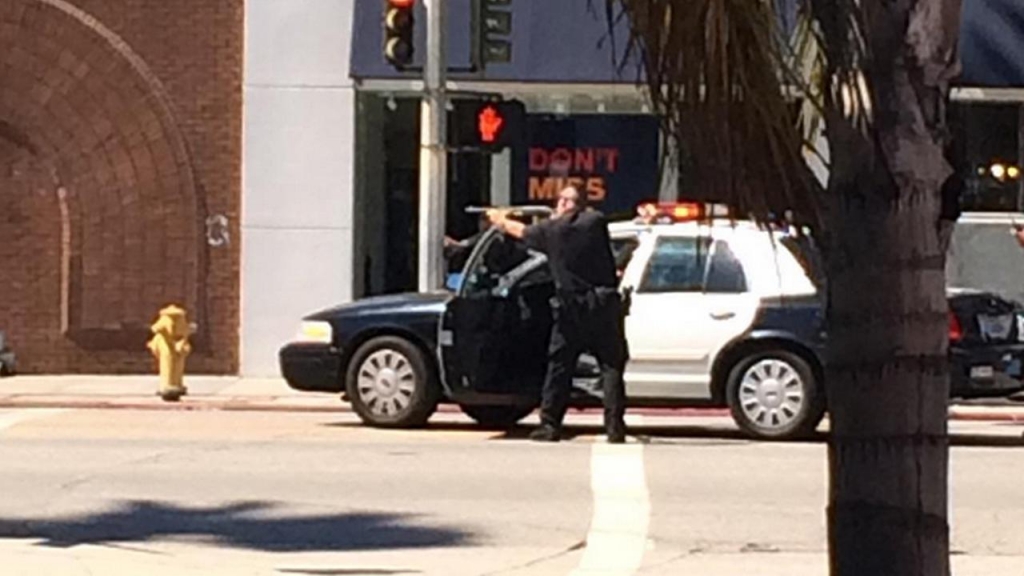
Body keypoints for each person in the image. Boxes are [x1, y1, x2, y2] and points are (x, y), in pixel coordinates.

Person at [487, 185, 629, 443]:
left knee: (560, 365)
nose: (558, 204)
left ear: (567, 204)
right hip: (604, 305)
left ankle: (550, 425)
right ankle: (615, 427)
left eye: (562, 200)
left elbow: (519, 231)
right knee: (611, 366)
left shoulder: (553, 230)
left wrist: (500, 219)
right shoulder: (595, 222)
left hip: (571, 307)